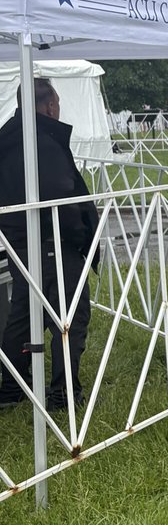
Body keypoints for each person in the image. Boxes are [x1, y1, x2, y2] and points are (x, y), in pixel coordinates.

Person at [0, 77, 98, 412]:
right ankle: (63, 393)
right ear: (50, 106)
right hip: (52, 240)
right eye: (57, 104)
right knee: (69, 315)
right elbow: (62, 196)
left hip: (20, 240)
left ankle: (11, 386)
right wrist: (80, 237)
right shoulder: (41, 140)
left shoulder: (8, 137)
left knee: (26, 311)